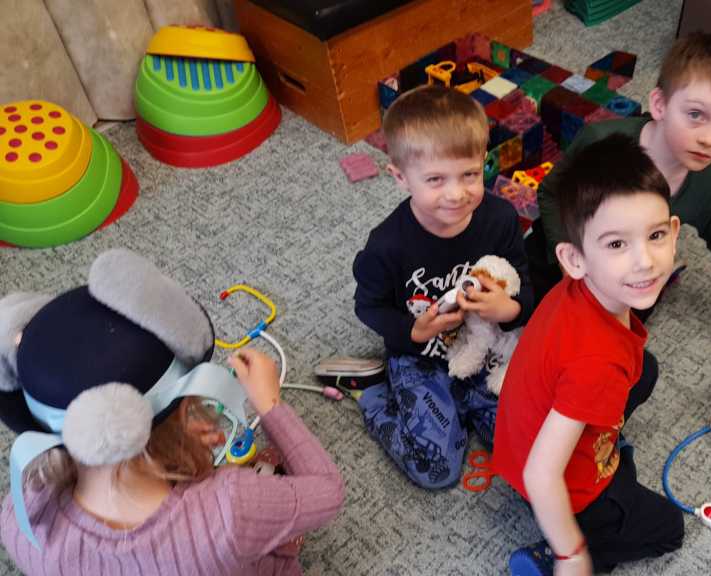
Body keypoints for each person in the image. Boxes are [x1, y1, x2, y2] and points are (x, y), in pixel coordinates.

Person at [0, 249, 344, 575]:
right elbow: (328, 490)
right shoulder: (232, 508)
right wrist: (270, 405)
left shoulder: (23, 518)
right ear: (184, 417)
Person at [527, 31, 711, 352]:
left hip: (625, 277)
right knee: (524, 312)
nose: (710, 138)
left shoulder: (707, 185)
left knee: (610, 345)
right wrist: (567, 264)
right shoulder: (599, 140)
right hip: (565, 252)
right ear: (659, 104)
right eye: (695, 115)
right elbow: (551, 193)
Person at [493, 135, 684, 575]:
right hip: (557, 485)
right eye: (617, 244)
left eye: (656, 235)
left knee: (644, 370)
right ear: (574, 258)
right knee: (669, 529)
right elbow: (542, 474)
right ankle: (556, 551)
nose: (645, 261)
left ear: (674, 233)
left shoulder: (580, 288)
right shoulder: (596, 363)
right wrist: (571, 553)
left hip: (520, 440)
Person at [350, 85, 533, 489]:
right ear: (400, 177)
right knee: (437, 471)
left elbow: (523, 279)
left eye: (469, 174)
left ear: (483, 163)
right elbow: (368, 306)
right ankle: (374, 398)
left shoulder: (500, 219)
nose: (456, 194)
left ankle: (463, 408)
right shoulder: (386, 245)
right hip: (420, 356)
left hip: (486, 346)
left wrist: (510, 308)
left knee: (530, 448)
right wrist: (413, 332)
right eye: (435, 179)